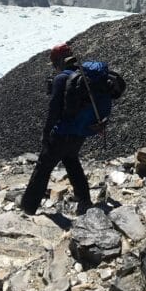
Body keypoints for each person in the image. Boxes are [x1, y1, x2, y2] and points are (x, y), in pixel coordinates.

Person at [20, 43, 93, 216]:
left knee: (42, 169)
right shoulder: (84, 77)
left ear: (59, 61)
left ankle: (28, 207)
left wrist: (46, 135)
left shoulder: (61, 79)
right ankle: (84, 199)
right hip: (80, 133)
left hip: (62, 133)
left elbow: (54, 110)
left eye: (54, 62)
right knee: (72, 162)